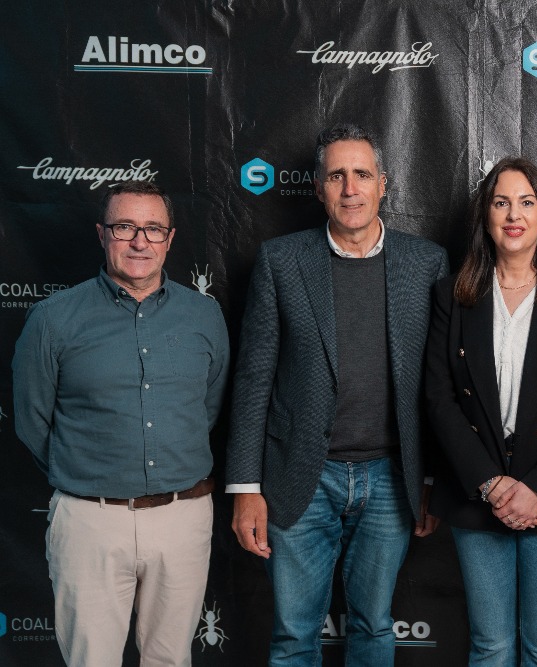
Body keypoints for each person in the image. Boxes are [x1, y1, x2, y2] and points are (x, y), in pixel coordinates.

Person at [226, 124, 449, 666]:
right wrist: (244, 487)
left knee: (374, 626)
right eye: (337, 176)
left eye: (362, 174)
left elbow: (439, 387)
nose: (350, 188)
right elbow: (255, 378)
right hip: (300, 475)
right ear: (320, 188)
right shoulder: (281, 261)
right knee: (293, 634)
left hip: (390, 480)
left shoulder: (427, 264)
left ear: (384, 184)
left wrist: (430, 479)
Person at [12, 180, 230, 667]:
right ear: (102, 233)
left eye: (153, 229)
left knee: (170, 660)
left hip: (183, 516)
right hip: (90, 520)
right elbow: (31, 420)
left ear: (170, 239)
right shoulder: (53, 319)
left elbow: (208, 407)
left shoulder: (205, 315)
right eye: (125, 226)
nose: (139, 241)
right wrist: (91, 470)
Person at [425, 156, 537, 665]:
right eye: (501, 202)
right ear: (486, 215)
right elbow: (439, 398)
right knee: (490, 646)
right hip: (476, 490)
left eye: (527, 202)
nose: (514, 214)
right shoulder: (452, 296)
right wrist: (490, 483)